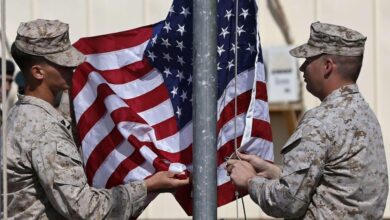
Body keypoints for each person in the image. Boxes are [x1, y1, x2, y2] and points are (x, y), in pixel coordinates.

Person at [5, 19, 189, 219]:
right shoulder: (44, 130)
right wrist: (148, 186)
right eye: (62, 64)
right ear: (38, 72)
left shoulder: (17, 116)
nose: (72, 67)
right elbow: (86, 209)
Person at [226, 21, 388, 219]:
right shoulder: (365, 115)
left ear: (327, 66)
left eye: (309, 59)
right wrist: (273, 171)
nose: (302, 67)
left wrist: (250, 180)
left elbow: (286, 202)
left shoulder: (321, 121)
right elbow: (333, 183)